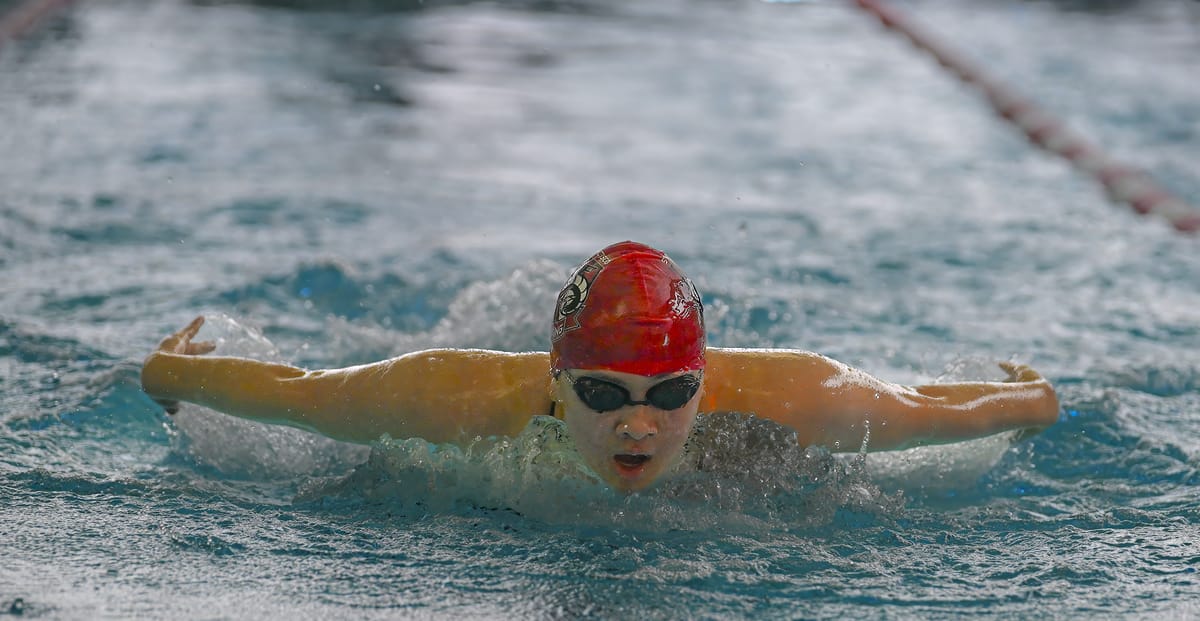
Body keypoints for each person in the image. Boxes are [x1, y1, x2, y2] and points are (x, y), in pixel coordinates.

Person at [141, 241, 1059, 493]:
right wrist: (171, 376)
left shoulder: (796, 397)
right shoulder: (453, 397)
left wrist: (1030, 397)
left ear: (705, 380)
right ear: (555, 378)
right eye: (603, 394)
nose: (638, 424)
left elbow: (951, 408)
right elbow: (297, 395)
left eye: (670, 394)